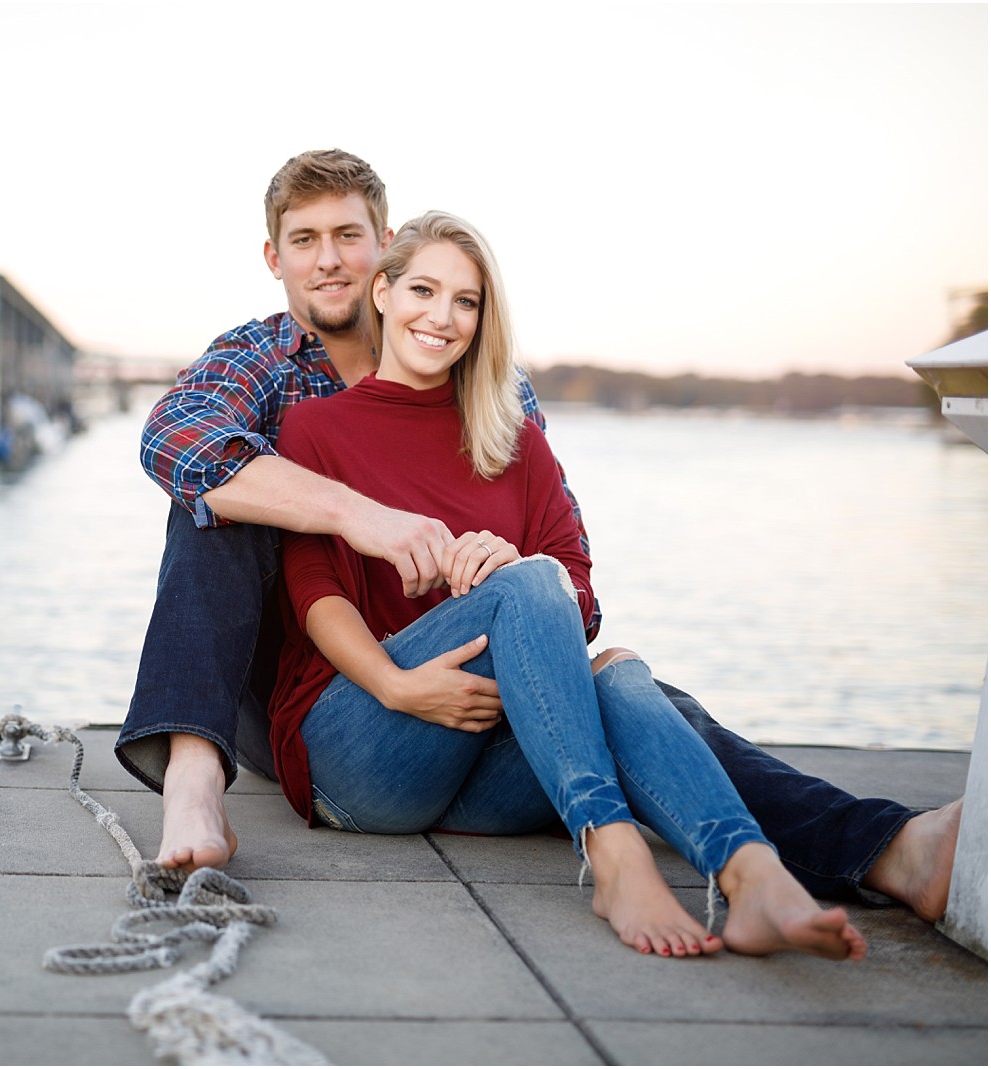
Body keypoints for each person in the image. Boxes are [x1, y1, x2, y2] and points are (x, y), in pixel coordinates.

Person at [116, 149, 961, 924]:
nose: (329, 258)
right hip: (303, 697)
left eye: (349, 235)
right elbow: (174, 443)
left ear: (383, 248)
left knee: (632, 692)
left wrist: (517, 570)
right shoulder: (267, 367)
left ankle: (877, 852)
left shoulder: (493, 399)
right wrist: (355, 516)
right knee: (214, 494)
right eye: (305, 240)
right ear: (276, 257)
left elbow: (565, 574)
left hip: (472, 705)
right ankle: (193, 774)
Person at [268, 209, 865, 959]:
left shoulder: (514, 440)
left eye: (466, 300)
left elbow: (575, 595)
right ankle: (615, 856)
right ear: (382, 293)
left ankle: (752, 874)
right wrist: (395, 684)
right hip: (362, 749)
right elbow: (313, 593)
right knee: (534, 587)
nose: (441, 316)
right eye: (423, 289)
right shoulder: (315, 429)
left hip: (481, 765)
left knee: (615, 670)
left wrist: (507, 564)